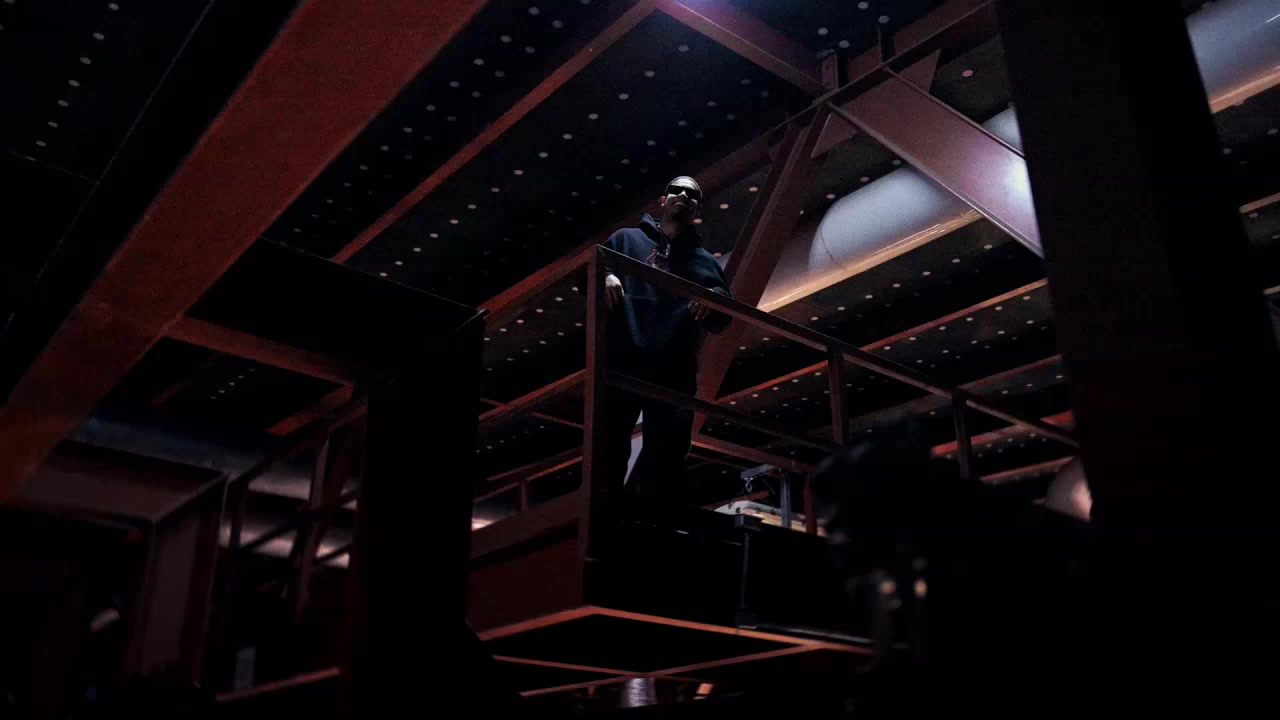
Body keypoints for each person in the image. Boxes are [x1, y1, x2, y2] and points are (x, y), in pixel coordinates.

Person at [595, 176, 731, 502]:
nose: (683, 194)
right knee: (609, 445)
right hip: (624, 359)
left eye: (692, 193)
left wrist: (714, 296)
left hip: (673, 368)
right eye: (676, 189)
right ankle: (604, 514)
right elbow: (589, 273)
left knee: (667, 456)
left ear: (697, 207)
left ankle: (659, 521)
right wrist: (605, 275)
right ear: (663, 199)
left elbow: (722, 316)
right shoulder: (626, 239)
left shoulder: (704, 261)